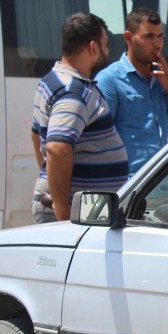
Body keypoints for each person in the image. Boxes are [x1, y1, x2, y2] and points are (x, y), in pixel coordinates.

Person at [31, 12, 128, 223]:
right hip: (77, 211)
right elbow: (57, 148)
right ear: (93, 47)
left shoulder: (54, 80)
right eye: (105, 44)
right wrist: (62, 206)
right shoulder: (74, 92)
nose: (108, 50)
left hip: (84, 207)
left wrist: (49, 177)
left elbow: (35, 134)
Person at [96, 7, 168, 177]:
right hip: (130, 182)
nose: (157, 44)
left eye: (160, 36)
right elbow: (100, 138)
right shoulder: (109, 79)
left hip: (163, 180)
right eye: (149, 36)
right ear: (128, 38)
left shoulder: (163, 74)